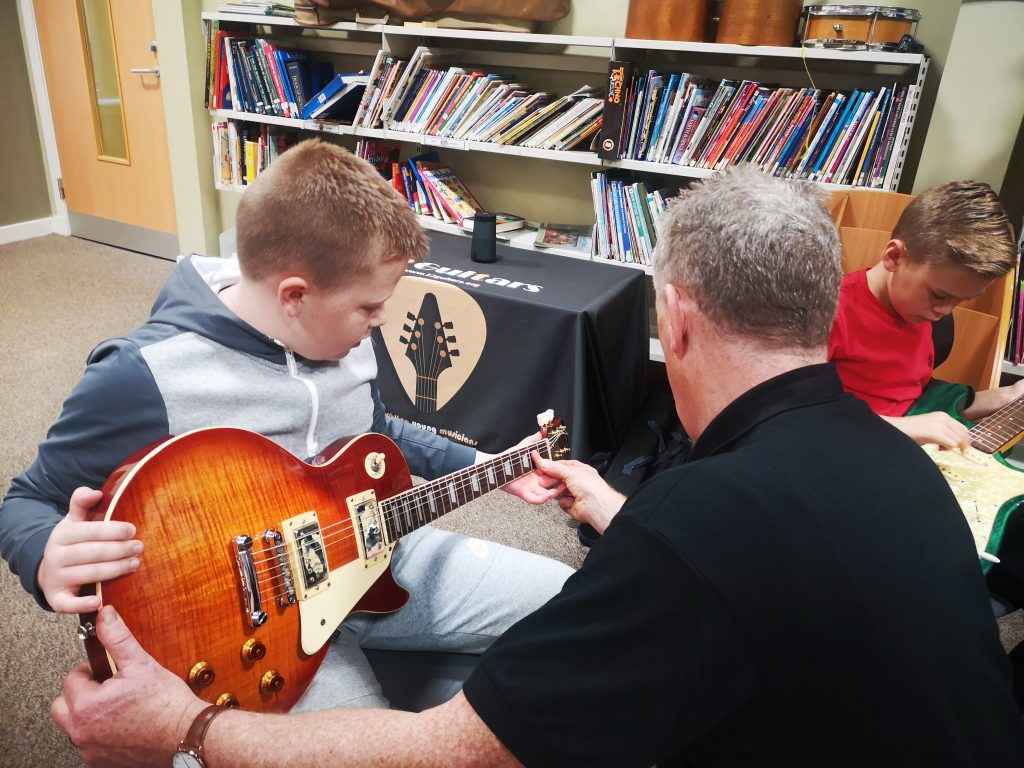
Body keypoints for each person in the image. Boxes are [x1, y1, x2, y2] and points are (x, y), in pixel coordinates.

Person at [50, 165, 1024, 767]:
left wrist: (187, 729)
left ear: (672, 317)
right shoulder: (901, 464)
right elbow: (744, 561)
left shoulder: (699, 524)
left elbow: (455, 754)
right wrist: (609, 501)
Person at [0, 138, 573, 715]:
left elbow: (377, 434)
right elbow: (26, 500)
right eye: (369, 308)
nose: (380, 323)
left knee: (575, 607)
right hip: (253, 634)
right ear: (294, 296)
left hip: (375, 555)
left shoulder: (345, 336)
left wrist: (495, 469)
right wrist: (44, 551)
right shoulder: (141, 375)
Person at [828, 180, 1019, 451]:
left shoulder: (917, 311)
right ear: (894, 256)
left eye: (962, 300)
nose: (944, 312)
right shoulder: (826, 314)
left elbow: (912, 395)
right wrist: (902, 427)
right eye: (940, 296)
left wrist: (1007, 395)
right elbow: (789, 417)